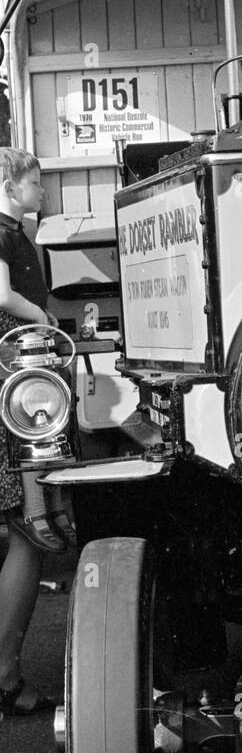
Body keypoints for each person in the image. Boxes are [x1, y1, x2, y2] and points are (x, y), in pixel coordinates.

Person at [0, 148, 73, 717]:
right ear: (9, 184)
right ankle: (5, 676)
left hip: (17, 384)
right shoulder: (2, 232)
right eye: (34, 182)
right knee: (28, 533)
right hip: (11, 384)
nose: (41, 192)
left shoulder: (18, 231)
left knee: (27, 529)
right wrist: (43, 319)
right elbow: (1, 295)